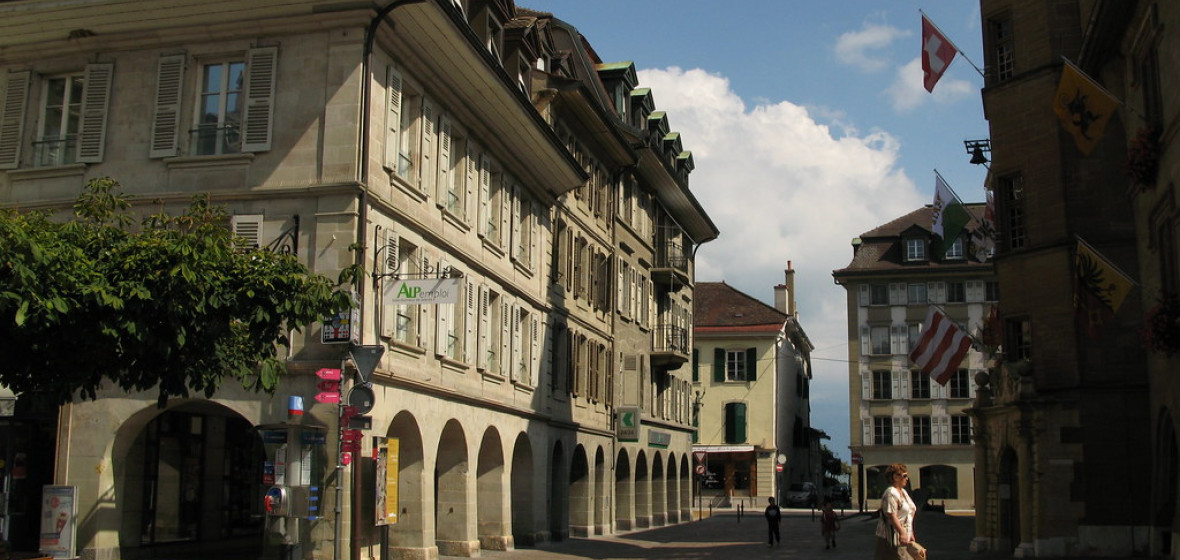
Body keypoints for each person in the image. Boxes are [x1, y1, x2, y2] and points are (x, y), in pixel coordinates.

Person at [874, 463, 917, 560]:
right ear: (895, 477)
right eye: (904, 476)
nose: (907, 479)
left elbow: (909, 514)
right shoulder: (891, 493)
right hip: (892, 537)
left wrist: (910, 532)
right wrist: (902, 532)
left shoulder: (903, 492)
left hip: (903, 537)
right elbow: (892, 515)